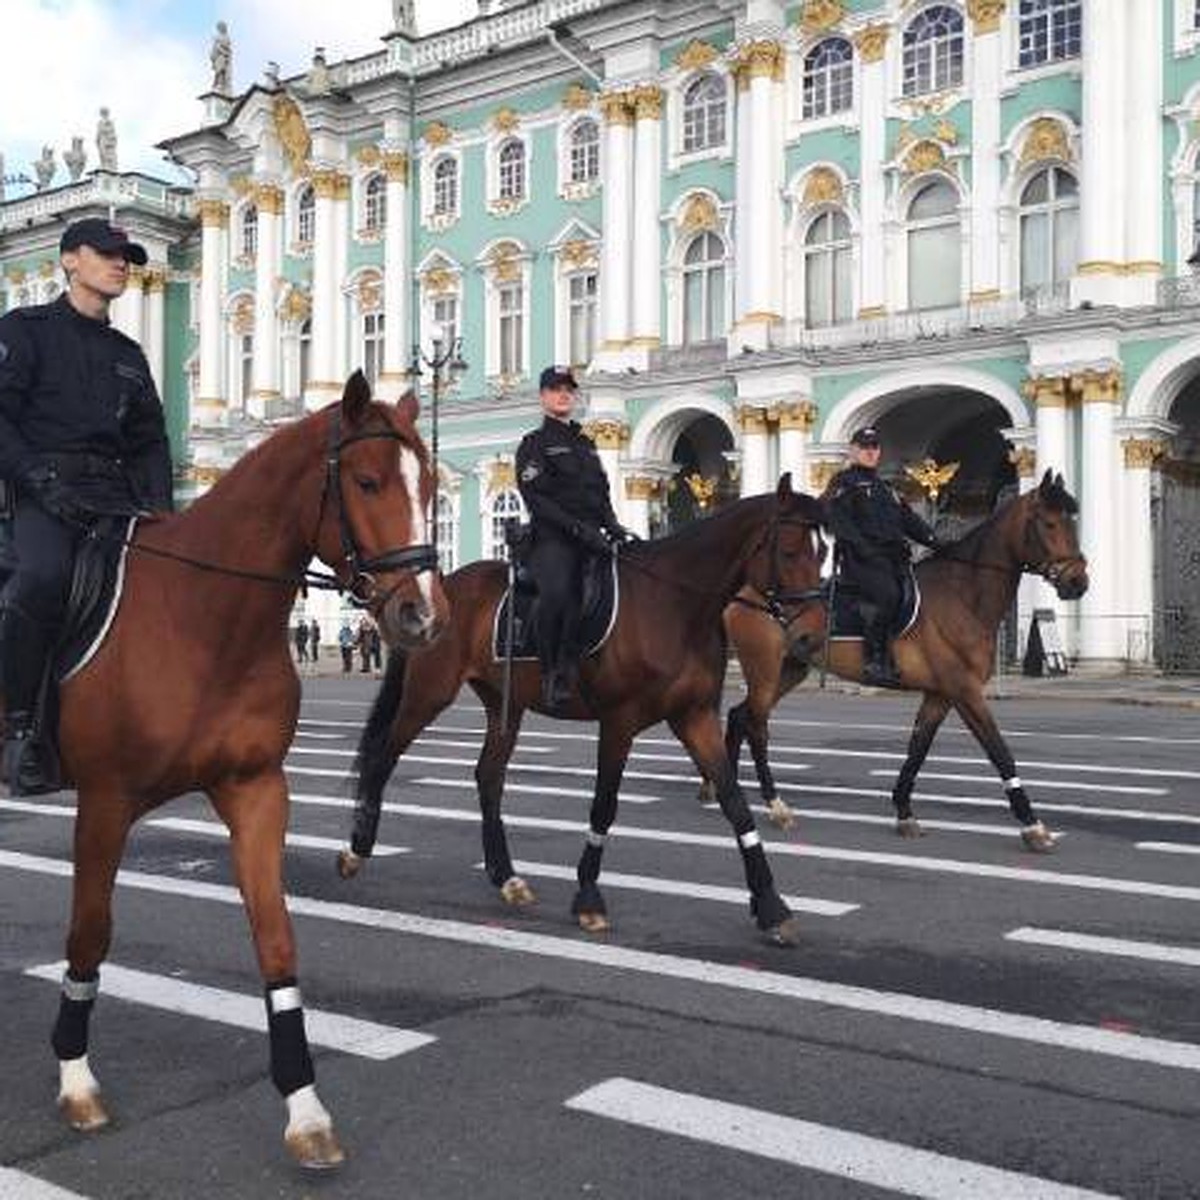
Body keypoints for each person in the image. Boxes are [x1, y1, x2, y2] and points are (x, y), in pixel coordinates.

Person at [0, 217, 173, 794]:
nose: (121, 263)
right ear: (70, 260)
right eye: (107, 253)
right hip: (43, 494)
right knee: (42, 578)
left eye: (127, 256)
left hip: (117, 500)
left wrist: (160, 513)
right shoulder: (26, 331)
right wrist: (35, 480)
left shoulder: (129, 353)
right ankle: (21, 730)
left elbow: (151, 440)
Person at [515, 366, 630, 710]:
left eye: (568, 389)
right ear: (543, 397)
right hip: (553, 539)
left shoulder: (585, 443)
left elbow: (601, 492)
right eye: (555, 389)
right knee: (560, 592)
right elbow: (537, 499)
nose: (563, 395)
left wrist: (613, 525)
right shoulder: (534, 445)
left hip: (594, 535)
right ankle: (555, 671)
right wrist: (578, 529)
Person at [823, 426, 941, 688]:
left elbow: (909, 520)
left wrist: (935, 541)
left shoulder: (886, 488)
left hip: (893, 559)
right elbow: (837, 521)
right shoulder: (843, 483)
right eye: (864, 447)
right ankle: (875, 659)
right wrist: (864, 549)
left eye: (874, 447)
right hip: (860, 561)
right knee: (887, 595)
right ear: (853, 450)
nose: (870, 452)